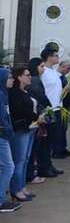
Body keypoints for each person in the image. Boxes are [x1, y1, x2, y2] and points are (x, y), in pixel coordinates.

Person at [8, 67, 39, 203]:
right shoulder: (14, 94)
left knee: (25, 159)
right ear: (19, 77)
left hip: (29, 128)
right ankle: (16, 190)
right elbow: (21, 111)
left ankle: (21, 186)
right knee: (19, 160)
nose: (30, 77)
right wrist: (38, 116)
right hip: (21, 129)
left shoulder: (24, 91)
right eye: (27, 75)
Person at [27, 58, 60, 178]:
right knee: (43, 144)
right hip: (41, 115)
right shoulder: (35, 80)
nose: (43, 69)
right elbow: (41, 97)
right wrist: (48, 107)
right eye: (41, 67)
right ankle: (44, 168)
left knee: (47, 143)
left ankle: (48, 166)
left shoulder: (37, 79)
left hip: (45, 112)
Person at [0, 67, 20, 213]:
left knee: (5, 167)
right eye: (9, 78)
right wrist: (9, 131)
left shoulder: (4, 94)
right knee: (9, 167)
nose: (12, 80)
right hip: (2, 135)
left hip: (5, 134)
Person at [39, 48, 64, 159]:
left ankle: (49, 165)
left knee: (54, 137)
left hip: (58, 108)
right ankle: (44, 166)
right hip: (48, 109)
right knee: (46, 139)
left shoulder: (54, 72)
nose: (58, 57)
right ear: (49, 57)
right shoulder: (43, 71)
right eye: (56, 55)